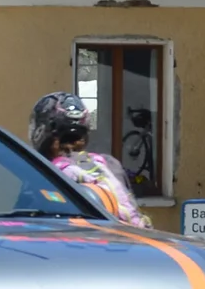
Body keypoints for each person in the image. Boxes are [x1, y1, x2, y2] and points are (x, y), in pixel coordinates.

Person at [28, 92, 151, 228]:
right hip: (129, 240)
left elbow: (26, 225)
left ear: (40, 131)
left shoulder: (43, 173)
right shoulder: (109, 164)